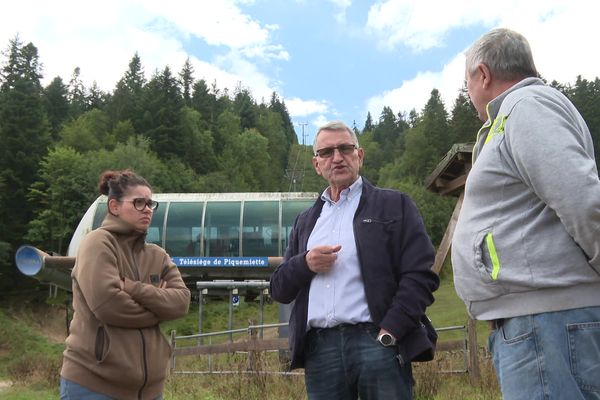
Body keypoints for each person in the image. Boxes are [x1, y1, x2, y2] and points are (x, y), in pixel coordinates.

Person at [452, 28, 600, 400]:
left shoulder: (528, 107)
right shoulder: (516, 114)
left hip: (548, 322)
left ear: (483, 75)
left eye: (467, 83)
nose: (469, 94)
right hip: (540, 323)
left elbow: (582, 199)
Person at [270, 120, 439, 400]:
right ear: (316, 164)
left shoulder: (395, 205)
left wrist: (392, 331)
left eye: (345, 148)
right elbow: (279, 288)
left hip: (377, 342)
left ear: (359, 156)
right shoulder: (306, 222)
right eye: (327, 152)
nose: (337, 157)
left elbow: (421, 275)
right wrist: (306, 264)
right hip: (320, 351)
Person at [60, 169, 191, 400]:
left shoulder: (157, 255)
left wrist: (132, 288)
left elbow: (181, 303)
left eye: (150, 203)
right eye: (139, 203)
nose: (148, 209)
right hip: (94, 385)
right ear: (114, 207)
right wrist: (157, 310)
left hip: (150, 392)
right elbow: (109, 305)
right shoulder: (97, 243)